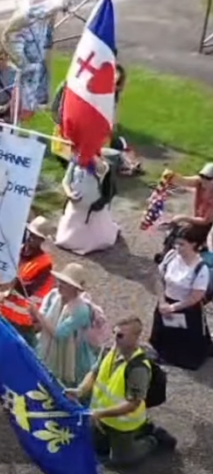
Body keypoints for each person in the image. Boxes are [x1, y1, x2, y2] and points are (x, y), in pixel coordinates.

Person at [67, 317, 177, 467]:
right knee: (96, 448)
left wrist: (100, 413)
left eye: (120, 335)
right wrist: (80, 390)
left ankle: (152, 439)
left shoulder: (138, 368)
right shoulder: (108, 351)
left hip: (122, 423)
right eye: (114, 333)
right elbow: (94, 373)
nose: (115, 339)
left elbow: (132, 404)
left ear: (135, 337)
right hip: (101, 417)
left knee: (123, 461)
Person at [151, 223, 212, 370]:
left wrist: (174, 307)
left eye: (182, 244)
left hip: (187, 308)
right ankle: (164, 353)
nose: (177, 247)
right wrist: (162, 301)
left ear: (194, 244)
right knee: (165, 334)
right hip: (166, 302)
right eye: (176, 243)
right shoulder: (171, 256)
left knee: (186, 343)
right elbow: (159, 278)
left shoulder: (200, 268)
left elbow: (196, 296)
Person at [29, 263, 98, 387]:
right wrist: (35, 316)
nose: (60, 284)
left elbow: (59, 333)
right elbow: (43, 316)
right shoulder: (53, 295)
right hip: (46, 347)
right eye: (60, 280)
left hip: (73, 357)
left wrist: (38, 315)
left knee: (66, 386)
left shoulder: (81, 310)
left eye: (65, 283)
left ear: (74, 288)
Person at [0, 216, 57, 346]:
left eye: (36, 238)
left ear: (44, 242)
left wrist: (10, 278)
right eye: (31, 235)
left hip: (24, 320)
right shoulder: (19, 250)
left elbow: (28, 290)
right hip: (5, 312)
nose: (30, 239)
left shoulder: (45, 264)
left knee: (27, 352)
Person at [55, 158, 119, 255]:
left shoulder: (100, 164)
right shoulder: (75, 161)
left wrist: (91, 155)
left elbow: (102, 170)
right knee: (66, 239)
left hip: (92, 209)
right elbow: (66, 181)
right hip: (75, 207)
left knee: (98, 238)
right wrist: (69, 194)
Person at [164, 164, 213, 239]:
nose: (203, 179)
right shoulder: (200, 182)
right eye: (202, 176)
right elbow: (184, 181)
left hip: (209, 226)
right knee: (179, 233)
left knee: (187, 237)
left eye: (207, 178)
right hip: (200, 220)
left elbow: (205, 221)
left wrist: (183, 218)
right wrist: (171, 176)